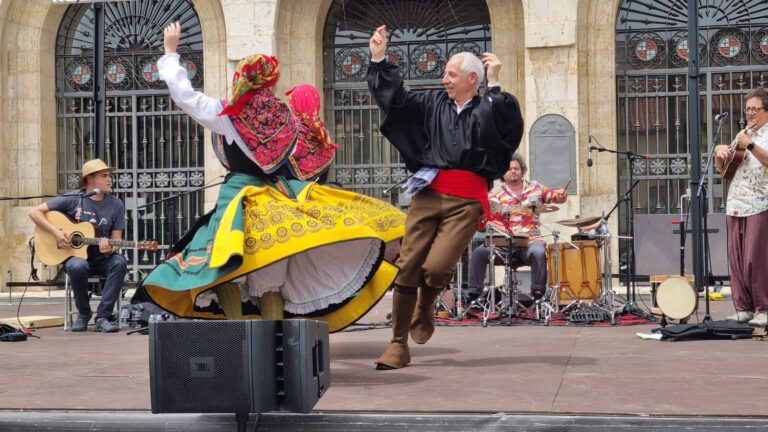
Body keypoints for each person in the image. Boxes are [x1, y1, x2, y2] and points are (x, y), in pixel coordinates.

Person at [138, 22, 405, 332]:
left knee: (224, 269)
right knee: (271, 283)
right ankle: (278, 348)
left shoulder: (228, 114)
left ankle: (240, 343)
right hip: (276, 201)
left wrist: (170, 53)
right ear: (271, 83)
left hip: (239, 199)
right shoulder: (286, 116)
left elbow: (184, 96)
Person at [367, 25, 524, 370]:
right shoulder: (432, 102)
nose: (444, 80)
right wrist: (379, 58)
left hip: (466, 201)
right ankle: (397, 344)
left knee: (437, 268)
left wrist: (495, 81)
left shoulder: (488, 106)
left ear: (472, 78)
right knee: (408, 266)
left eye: (451, 75)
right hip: (428, 192)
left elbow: (508, 126)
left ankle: (426, 306)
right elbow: (398, 102)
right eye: (445, 74)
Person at [28, 159, 127, 333]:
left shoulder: (116, 204)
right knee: (77, 265)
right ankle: (84, 313)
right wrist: (56, 232)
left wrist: (111, 248)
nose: (109, 179)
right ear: (90, 179)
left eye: (110, 175)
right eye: (104, 175)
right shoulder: (73, 199)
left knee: (119, 262)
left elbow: (117, 239)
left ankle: (103, 316)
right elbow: (34, 212)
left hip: (101, 257)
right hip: (75, 257)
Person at [465, 154, 568, 305]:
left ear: (522, 170)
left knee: (539, 252)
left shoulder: (536, 188)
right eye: (509, 169)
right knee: (479, 253)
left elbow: (557, 197)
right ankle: (474, 296)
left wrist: (562, 195)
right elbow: (491, 217)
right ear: (503, 173)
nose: (513, 171)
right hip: (505, 244)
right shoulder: (495, 192)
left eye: (516, 168)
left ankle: (538, 295)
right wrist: (504, 230)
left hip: (530, 241)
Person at [714, 87, 768, 328]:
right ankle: (743, 307)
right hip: (736, 203)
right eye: (747, 109)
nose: (750, 113)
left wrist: (751, 146)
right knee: (736, 258)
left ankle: (764, 308)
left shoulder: (759, 136)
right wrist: (720, 154)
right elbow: (726, 172)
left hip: (761, 201)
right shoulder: (743, 133)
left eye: (755, 109)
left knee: (755, 259)